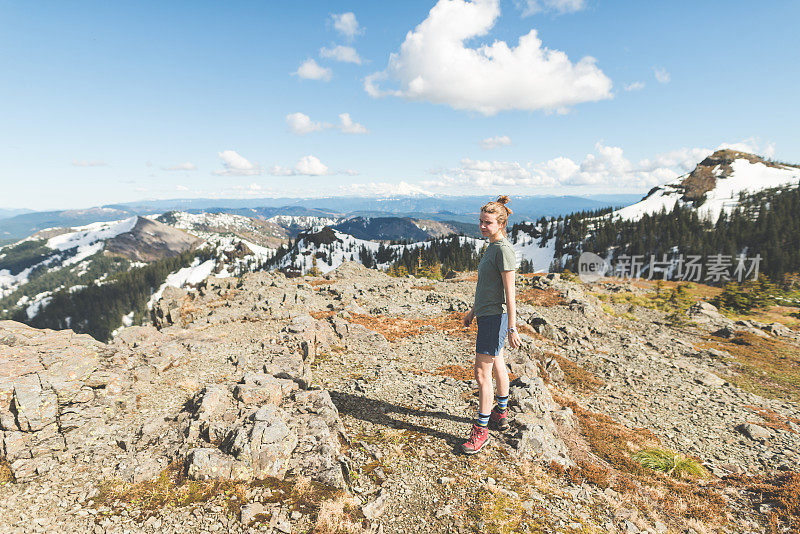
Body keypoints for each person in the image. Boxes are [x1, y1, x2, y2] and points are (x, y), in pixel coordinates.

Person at [460, 195, 521, 454]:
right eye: (481, 221)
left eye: (488, 222)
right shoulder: (492, 246)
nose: (483, 226)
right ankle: (500, 413)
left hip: (496, 318)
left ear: (501, 224)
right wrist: (472, 310)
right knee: (497, 362)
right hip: (487, 314)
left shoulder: (503, 251)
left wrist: (512, 327)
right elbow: (487, 287)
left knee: (481, 375)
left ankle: (481, 432)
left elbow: (510, 293)